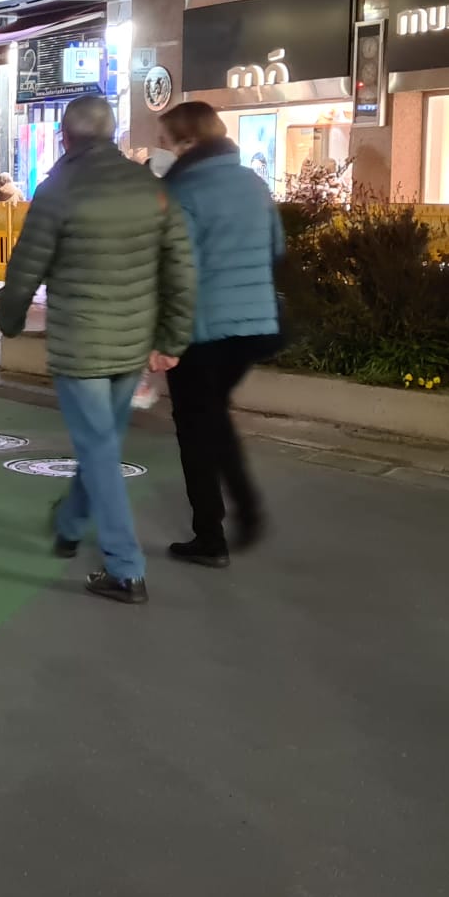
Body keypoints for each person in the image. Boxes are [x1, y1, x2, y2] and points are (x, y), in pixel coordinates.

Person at [0, 95, 196, 605]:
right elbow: (181, 268)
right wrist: (171, 339)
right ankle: (68, 524)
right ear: (111, 134)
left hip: (80, 344)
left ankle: (125, 569)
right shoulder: (151, 190)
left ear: (66, 137)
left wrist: (11, 318)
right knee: (101, 445)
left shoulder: (59, 189)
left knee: (99, 450)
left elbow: (26, 266)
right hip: (132, 345)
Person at [156, 102, 285, 567]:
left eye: (168, 140)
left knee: (195, 427)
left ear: (188, 141)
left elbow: (177, 270)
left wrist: (166, 339)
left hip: (201, 328)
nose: (165, 150)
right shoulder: (253, 183)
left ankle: (210, 535)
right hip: (254, 325)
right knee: (213, 417)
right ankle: (247, 510)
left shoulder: (183, 189)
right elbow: (276, 248)